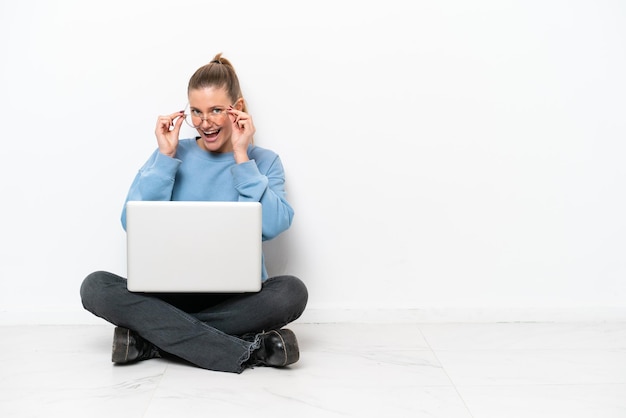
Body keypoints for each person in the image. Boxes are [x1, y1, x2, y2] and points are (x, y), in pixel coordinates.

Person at [80, 53, 308, 374]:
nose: (205, 122)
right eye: (196, 112)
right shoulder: (171, 155)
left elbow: (273, 225)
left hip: (237, 298)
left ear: (237, 107)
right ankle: (249, 351)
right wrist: (165, 158)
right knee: (95, 286)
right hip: (169, 296)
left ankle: (150, 340)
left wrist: (242, 159)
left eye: (216, 110)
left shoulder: (263, 161)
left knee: (291, 293)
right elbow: (131, 222)